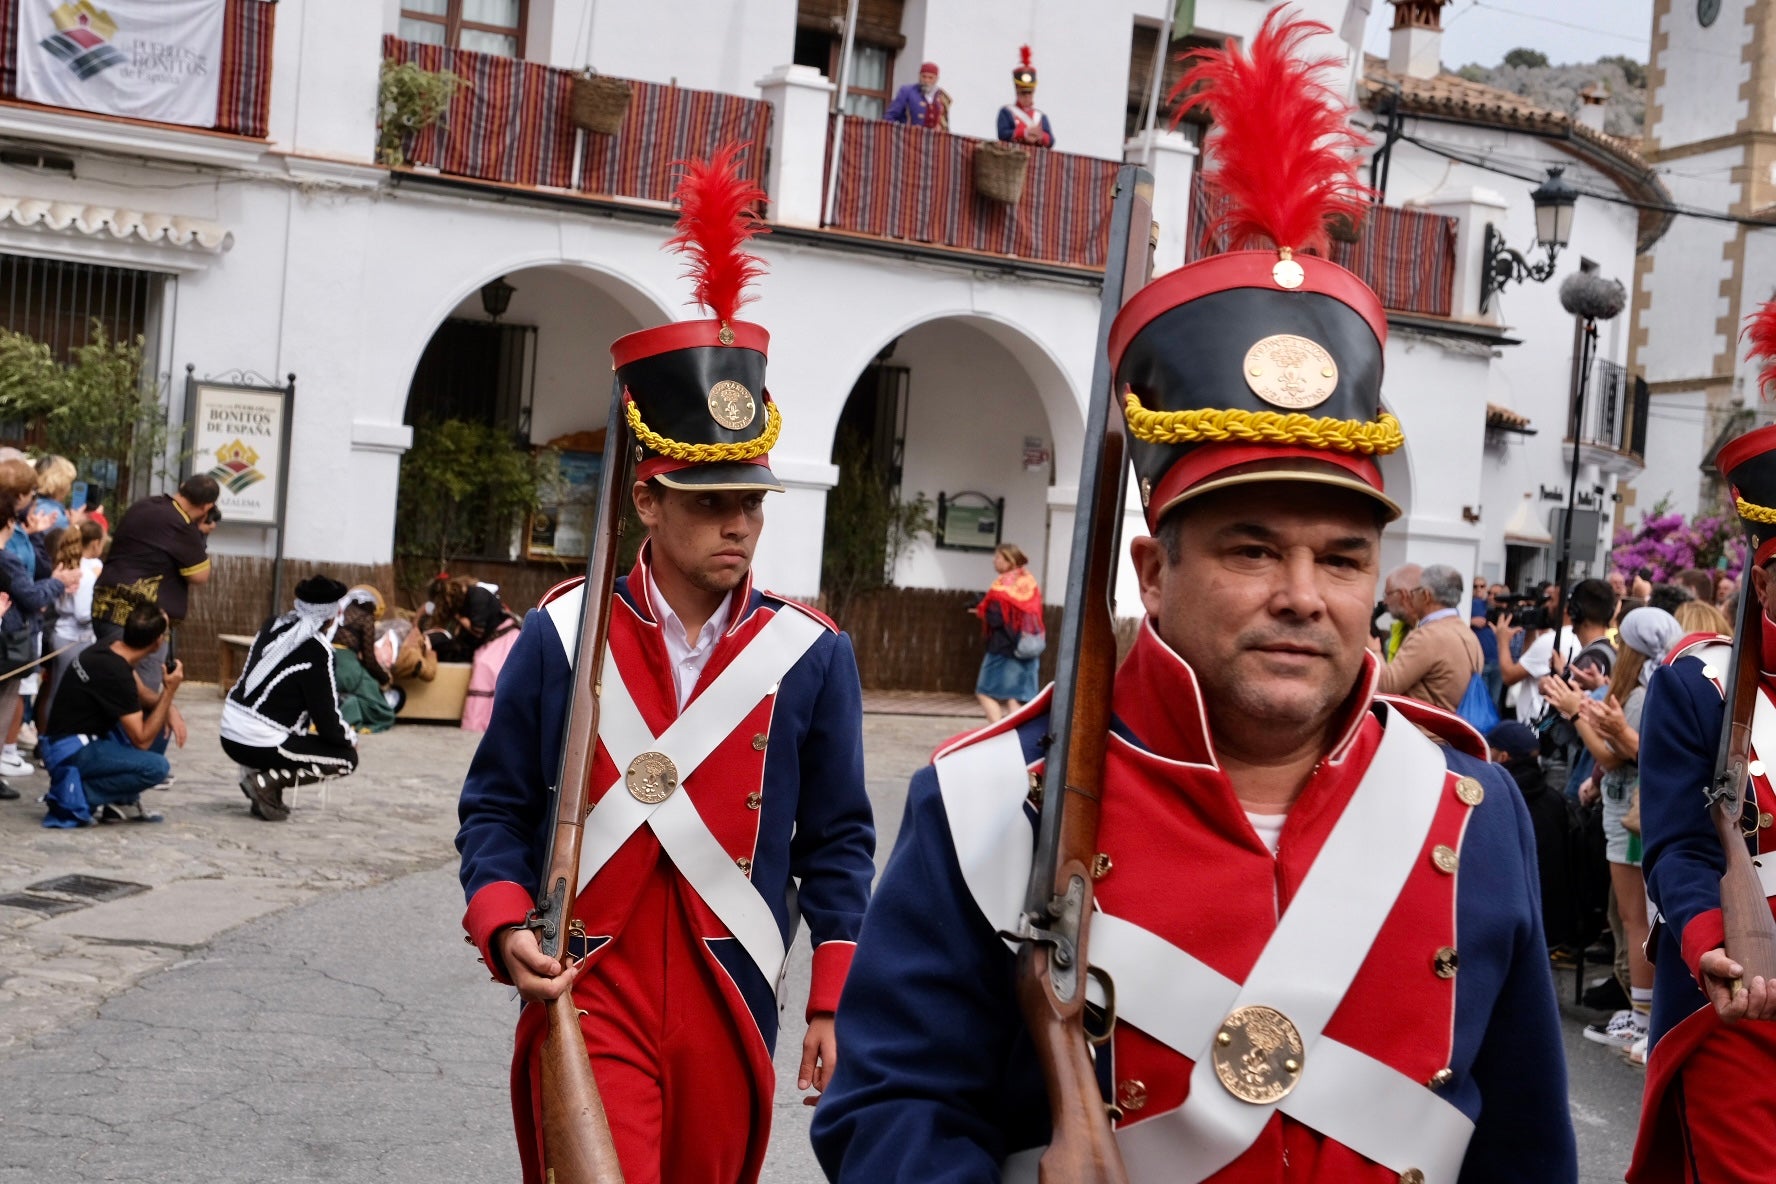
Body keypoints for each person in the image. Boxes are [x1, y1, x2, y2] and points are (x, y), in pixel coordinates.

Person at [812, 15, 1575, 1179]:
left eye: (1341, 557)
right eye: (1253, 550)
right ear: (1154, 569)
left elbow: (1524, 1144)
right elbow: (883, 1112)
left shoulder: (1472, 808)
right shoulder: (986, 800)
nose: (1304, 596)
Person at [456, 146, 876, 1184]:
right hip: (589, 983)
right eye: (711, 502)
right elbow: (497, 808)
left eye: (752, 502)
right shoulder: (561, 637)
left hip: (734, 984)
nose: (739, 524)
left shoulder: (811, 655)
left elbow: (837, 842)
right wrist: (504, 923)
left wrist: (830, 995)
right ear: (648, 499)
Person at [1631, 417, 1776, 1182]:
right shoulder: (1699, 686)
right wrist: (1713, 943)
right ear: (1763, 579)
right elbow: (1681, 846)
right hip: (1746, 1005)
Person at [1546, 607, 1683, 1063]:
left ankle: (1644, 1017)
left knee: (1635, 919)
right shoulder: (1646, 688)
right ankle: (1642, 1013)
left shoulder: (1645, 693)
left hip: (1634, 815)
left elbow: (1619, 754)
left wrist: (1576, 715)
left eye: (1623, 643)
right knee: (1631, 918)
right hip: (1625, 810)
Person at [219, 574, 359, 822]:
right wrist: (348, 737)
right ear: (333, 614)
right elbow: (327, 721)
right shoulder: (318, 650)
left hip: (230, 732)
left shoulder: (273, 626)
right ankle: (262, 784)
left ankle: (265, 791)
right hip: (258, 740)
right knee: (345, 759)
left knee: (295, 734)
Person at [38, 602, 182, 824]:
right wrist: (169, 692)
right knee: (157, 768)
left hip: (79, 739)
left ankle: (119, 801)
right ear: (157, 643)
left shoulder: (111, 647)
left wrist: (168, 706)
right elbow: (141, 740)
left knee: (160, 720)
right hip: (69, 750)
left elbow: (142, 693)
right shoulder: (115, 673)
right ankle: (77, 793)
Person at [91, 474, 216, 694]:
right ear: (207, 507)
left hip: (104, 608)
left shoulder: (143, 505)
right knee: (135, 693)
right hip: (139, 622)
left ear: (182, 487)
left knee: (106, 682)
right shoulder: (181, 523)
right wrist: (198, 534)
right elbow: (200, 575)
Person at [1375, 563, 1482, 711]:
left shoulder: (1428, 636)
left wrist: (1374, 649)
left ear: (1426, 595)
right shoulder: (1468, 634)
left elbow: (1386, 686)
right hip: (1452, 729)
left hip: (1423, 731)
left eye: (1415, 591)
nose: (1411, 597)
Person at [39, 520, 105, 733]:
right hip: (74, 639)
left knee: (55, 690)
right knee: (63, 693)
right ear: (95, 543)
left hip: (62, 632)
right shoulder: (87, 573)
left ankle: (49, 737)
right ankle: (54, 739)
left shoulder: (69, 564)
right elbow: (83, 613)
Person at [971, 542, 1043, 722]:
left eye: (998, 557)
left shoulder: (1003, 585)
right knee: (1015, 699)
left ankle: (997, 732)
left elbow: (997, 619)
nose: (994, 561)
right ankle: (1013, 738)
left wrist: (982, 610)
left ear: (1009, 561)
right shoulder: (1028, 581)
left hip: (1002, 648)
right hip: (1026, 646)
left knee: (984, 692)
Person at [458, 582, 521, 733]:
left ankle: (487, 722)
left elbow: (478, 629)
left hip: (505, 639)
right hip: (494, 640)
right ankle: (477, 721)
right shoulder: (479, 599)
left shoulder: (478, 596)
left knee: (486, 667)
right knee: (482, 665)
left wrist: (465, 623)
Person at [333, 594, 396, 734]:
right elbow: (369, 660)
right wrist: (384, 678)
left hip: (325, 663)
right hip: (347, 667)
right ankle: (349, 715)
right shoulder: (365, 618)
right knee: (384, 712)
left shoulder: (335, 613)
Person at [996, 45, 1054, 147]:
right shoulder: (1007, 112)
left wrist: (1040, 136)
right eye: (1023, 93)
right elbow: (1003, 134)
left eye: (1029, 93)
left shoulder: (1040, 116)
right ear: (1017, 92)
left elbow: (1051, 140)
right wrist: (1024, 133)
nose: (1027, 96)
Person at [883, 61, 950, 129]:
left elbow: (945, 125)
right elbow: (890, 117)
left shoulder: (943, 97)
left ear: (936, 79)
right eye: (924, 76)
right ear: (919, 76)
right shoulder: (907, 91)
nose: (926, 80)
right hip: (910, 137)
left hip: (933, 139)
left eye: (930, 78)